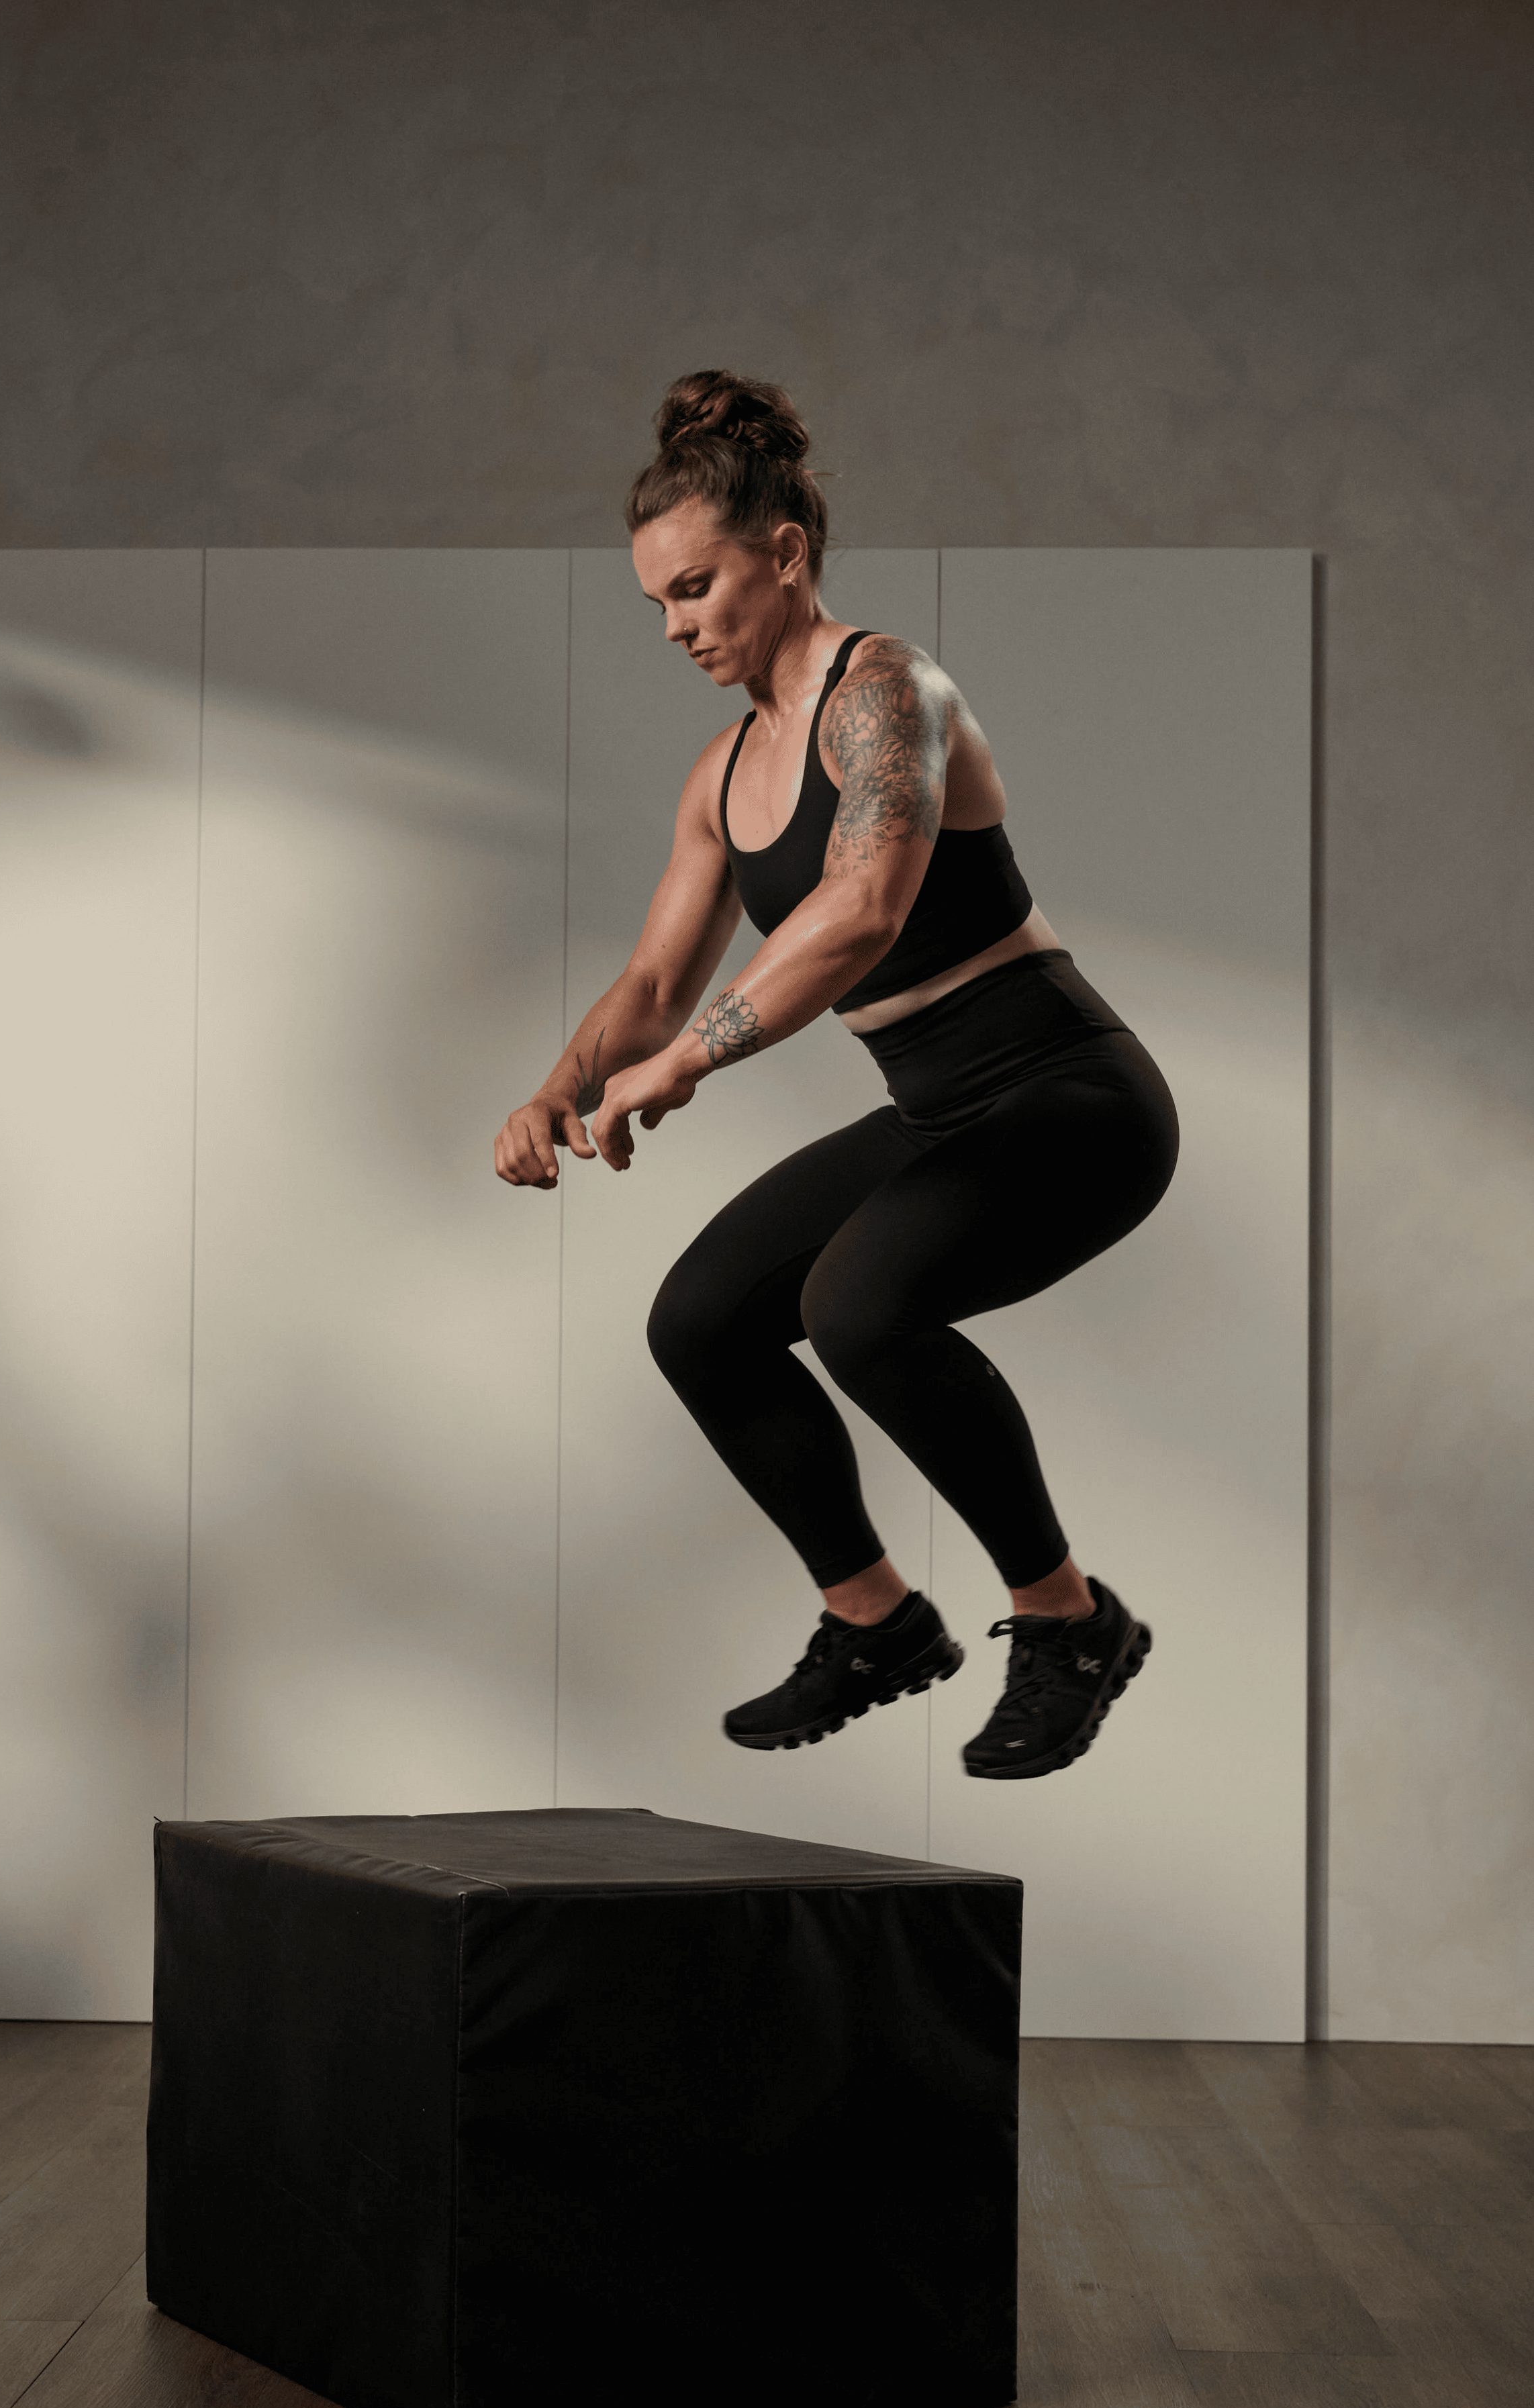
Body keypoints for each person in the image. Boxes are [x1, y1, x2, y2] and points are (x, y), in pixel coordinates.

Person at [493, 371, 1179, 1780]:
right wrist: (556, 1084)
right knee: (701, 1318)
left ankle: (1068, 1620)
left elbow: (861, 908)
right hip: (935, 1108)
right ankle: (872, 1619)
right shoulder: (720, 772)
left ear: (784, 556)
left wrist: (685, 1065)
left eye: (697, 587)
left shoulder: (888, 694)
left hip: (1067, 1096)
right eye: (658, 605)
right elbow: (648, 984)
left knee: (859, 1305)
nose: (679, 626)